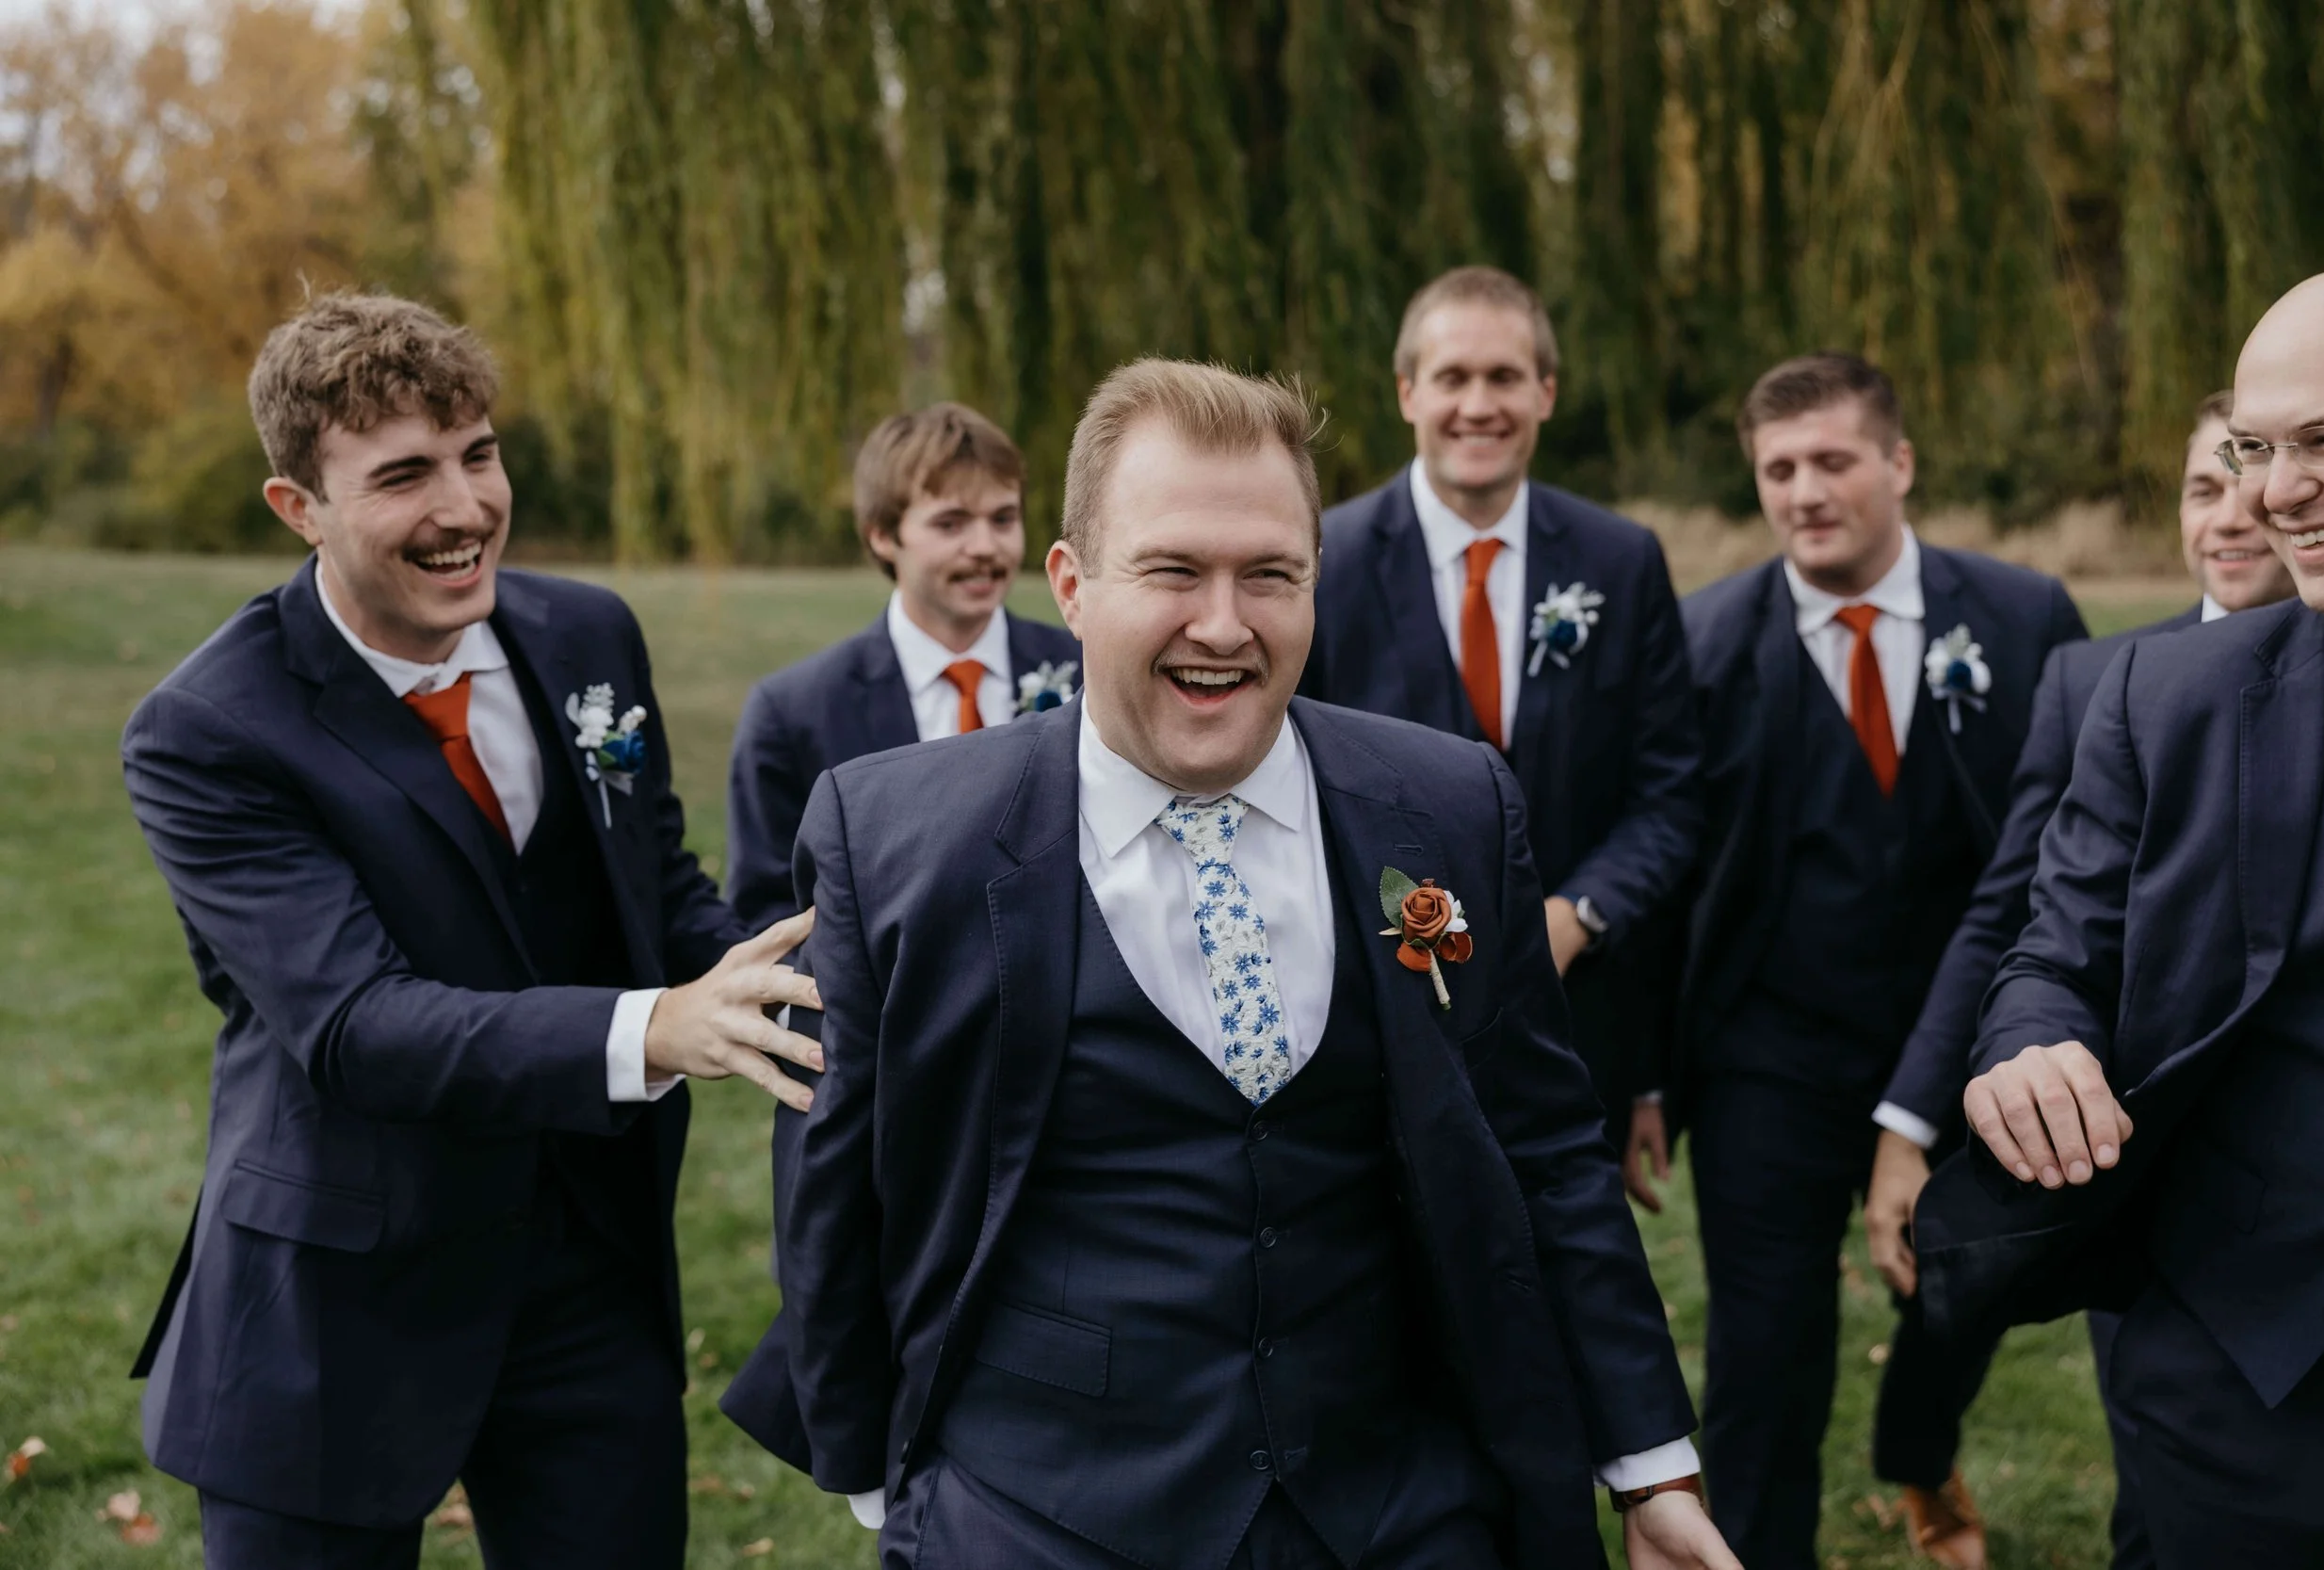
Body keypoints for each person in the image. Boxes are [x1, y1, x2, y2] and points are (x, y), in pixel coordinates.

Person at [721, 359, 1739, 1569]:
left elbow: (1547, 1145)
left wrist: (1648, 1462)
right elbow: (833, 1171)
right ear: (1073, 585)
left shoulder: (1449, 804)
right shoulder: (895, 836)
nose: (1222, 624)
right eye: (1172, 570)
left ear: (1316, 581)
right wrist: (875, 1474)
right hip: (1037, 1508)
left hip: (1400, 1504)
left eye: (1269, 574)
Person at [121, 293, 821, 1570]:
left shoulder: (588, 632)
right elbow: (356, 1022)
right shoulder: (210, 729)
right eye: (404, 475)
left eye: (479, 453)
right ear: (298, 506)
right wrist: (654, 1028)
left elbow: (650, 883)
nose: (466, 507)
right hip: (336, 1294)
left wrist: (804, 974)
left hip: (586, 1265)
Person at [1929, 265, 2324, 1567]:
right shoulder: (2163, 697)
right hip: (2246, 1369)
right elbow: (2051, 952)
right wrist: (2028, 1045)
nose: (2276, 491)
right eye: (2254, 450)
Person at [1637, 352, 2086, 1568]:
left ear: (1899, 462)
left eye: (1831, 460)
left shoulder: (2024, 618)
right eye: (1777, 468)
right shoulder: (1702, 640)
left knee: (1963, 1293)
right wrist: (1647, 1076)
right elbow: (1671, 876)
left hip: (1972, 1045)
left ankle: (1916, 1446)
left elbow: (2056, 860)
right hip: (1767, 1057)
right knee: (1762, 1355)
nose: (1802, 491)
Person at [1863, 389, 2293, 1570]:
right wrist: (1908, 1122)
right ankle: (1922, 1460)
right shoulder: (2107, 679)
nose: (2229, 514)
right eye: (2200, 488)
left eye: (2245, 483)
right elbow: (2014, 917)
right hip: (2143, 1163)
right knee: (2164, 1495)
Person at [1306, 267, 1703, 1120]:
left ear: (1545, 393)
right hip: (1374, 1027)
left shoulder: (1622, 561)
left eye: (1505, 377)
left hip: (1575, 1024)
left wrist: (1580, 914)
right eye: (1453, 377)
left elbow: (1670, 794)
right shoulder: (1324, 564)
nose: (1478, 405)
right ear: (1408, 392)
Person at [727, 402, 1081, 929]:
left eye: (1003, 518)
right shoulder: (794, 714)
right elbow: (769, 918)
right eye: (950, 523)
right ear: (882, 535)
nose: (985, 546)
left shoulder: (1084, 668)